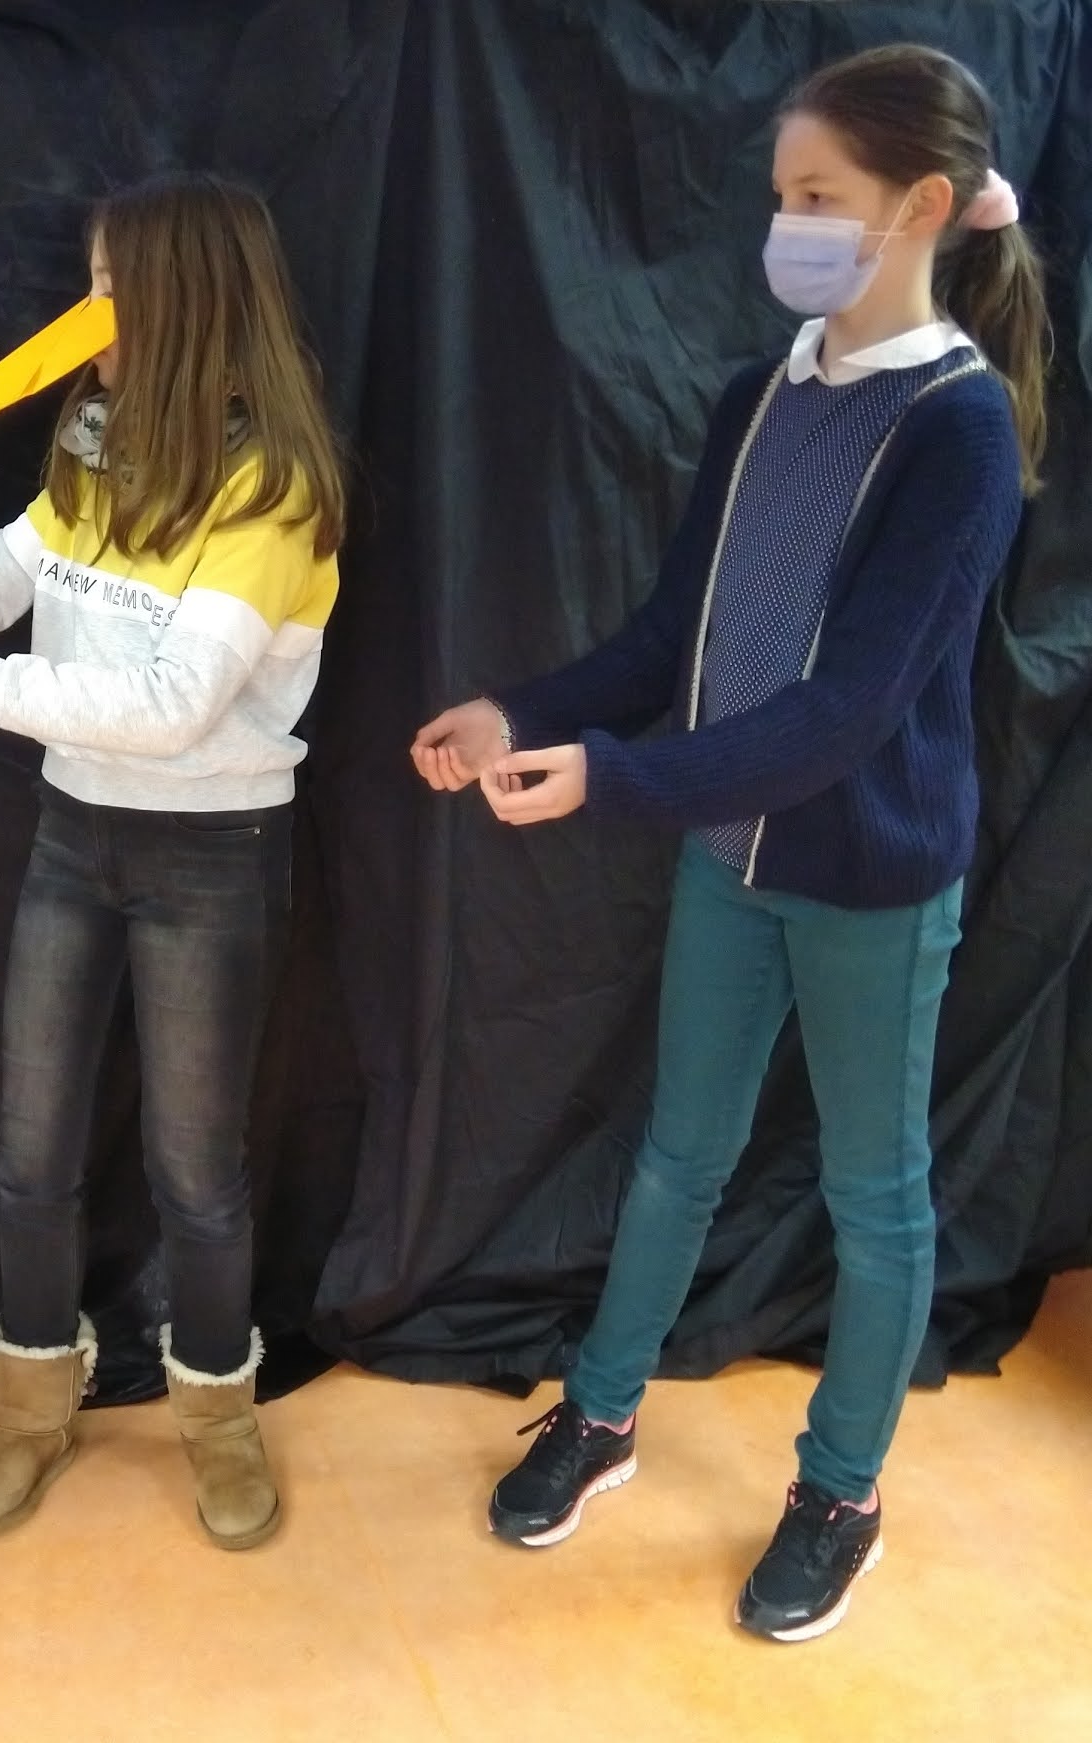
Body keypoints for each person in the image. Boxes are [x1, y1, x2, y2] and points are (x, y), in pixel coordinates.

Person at [411, 44, 1046, 1641]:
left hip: (870, 884)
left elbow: (849, 715)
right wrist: (516, 711)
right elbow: (666, 640)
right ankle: (601, 1411)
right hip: (730, 859)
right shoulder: (759, 399)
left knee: (875, 1195)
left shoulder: (961, 431)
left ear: (918, 206)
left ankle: (843, 1490)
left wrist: (614, 781)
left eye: (818, 196)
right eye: (782, 197)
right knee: (676, 1157)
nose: (788, 227)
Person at [0, 174, 344, 1550]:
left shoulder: (272, 492)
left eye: (108, 287)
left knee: (196, 1172)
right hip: (74, 837)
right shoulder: (98, 447)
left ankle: (217, 1418)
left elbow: (173, 710)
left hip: (213, 857)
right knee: (29, 1155)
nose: (83, 313)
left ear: (185, 300)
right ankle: (32, 1405)